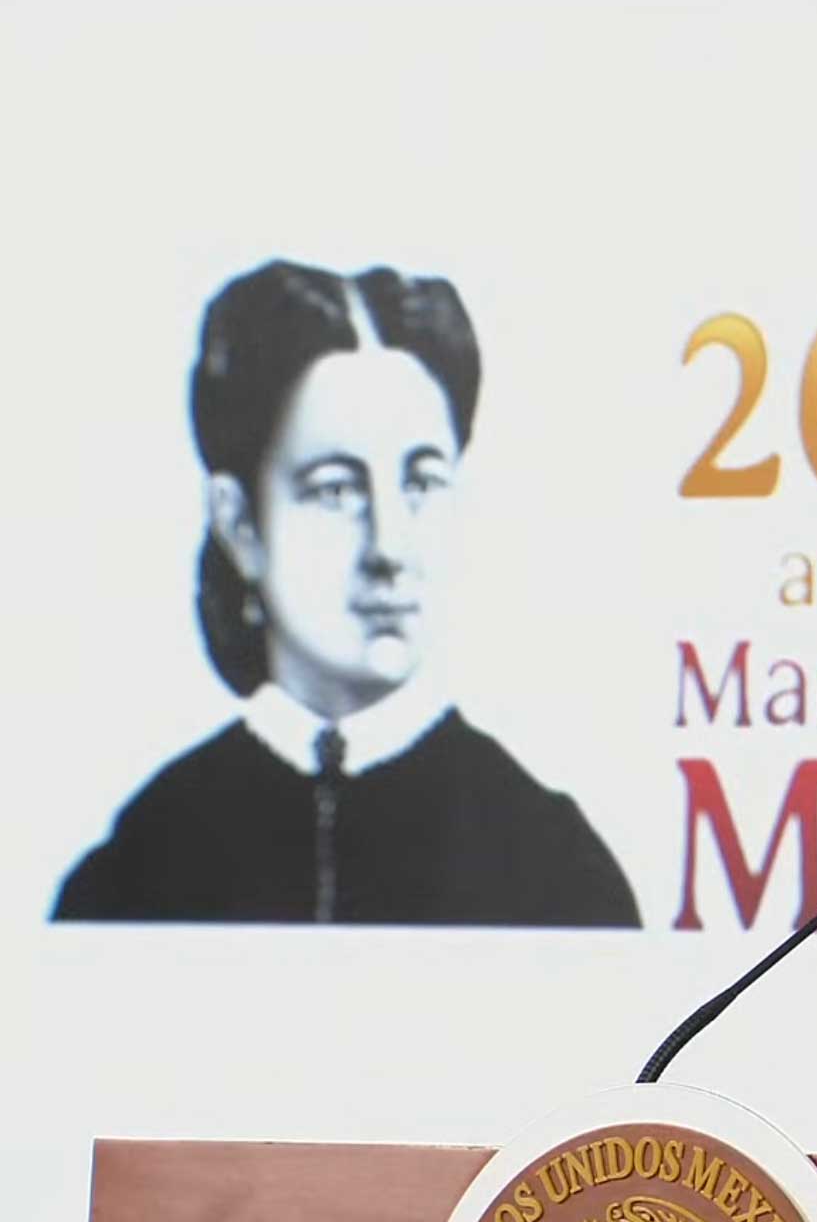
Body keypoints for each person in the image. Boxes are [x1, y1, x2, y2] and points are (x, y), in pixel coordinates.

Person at [52, 260, 640, 927]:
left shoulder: (555, 867)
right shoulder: (140, 867)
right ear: (239, 523)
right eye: (336, 490)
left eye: (420, 483)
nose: (389, 548)